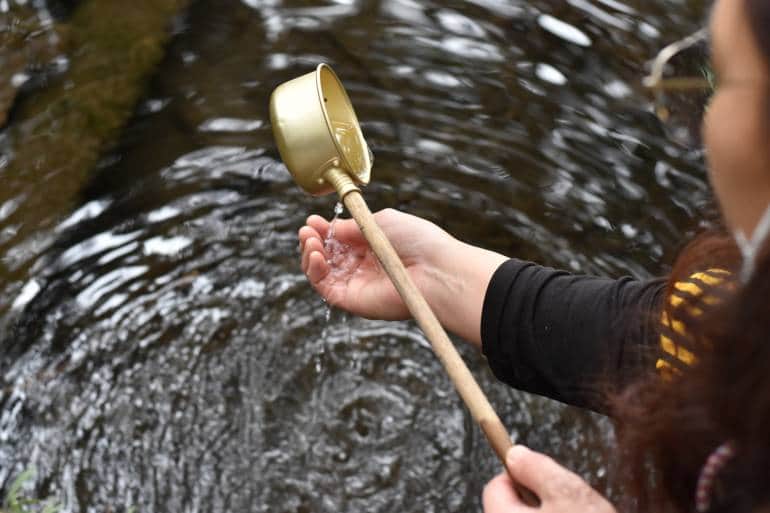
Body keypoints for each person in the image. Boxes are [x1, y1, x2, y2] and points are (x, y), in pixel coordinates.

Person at [298, 0, 770, 511]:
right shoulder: (745, 315)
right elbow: (671, 340)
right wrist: (438, 275)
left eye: (718, 78)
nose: (702, 122)